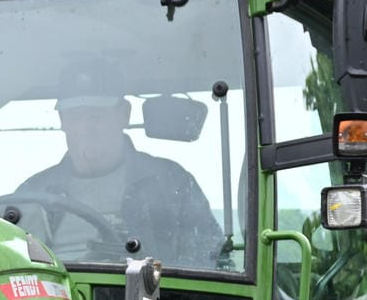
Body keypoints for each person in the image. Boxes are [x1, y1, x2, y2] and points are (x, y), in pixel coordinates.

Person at [13, 73, 222, 270]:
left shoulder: (172, 183)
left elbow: (205, 256)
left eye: (96, 116)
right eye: (75, 116)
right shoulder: (31, 194)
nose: (85, 128)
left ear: (124, 114)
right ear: (62, 121)